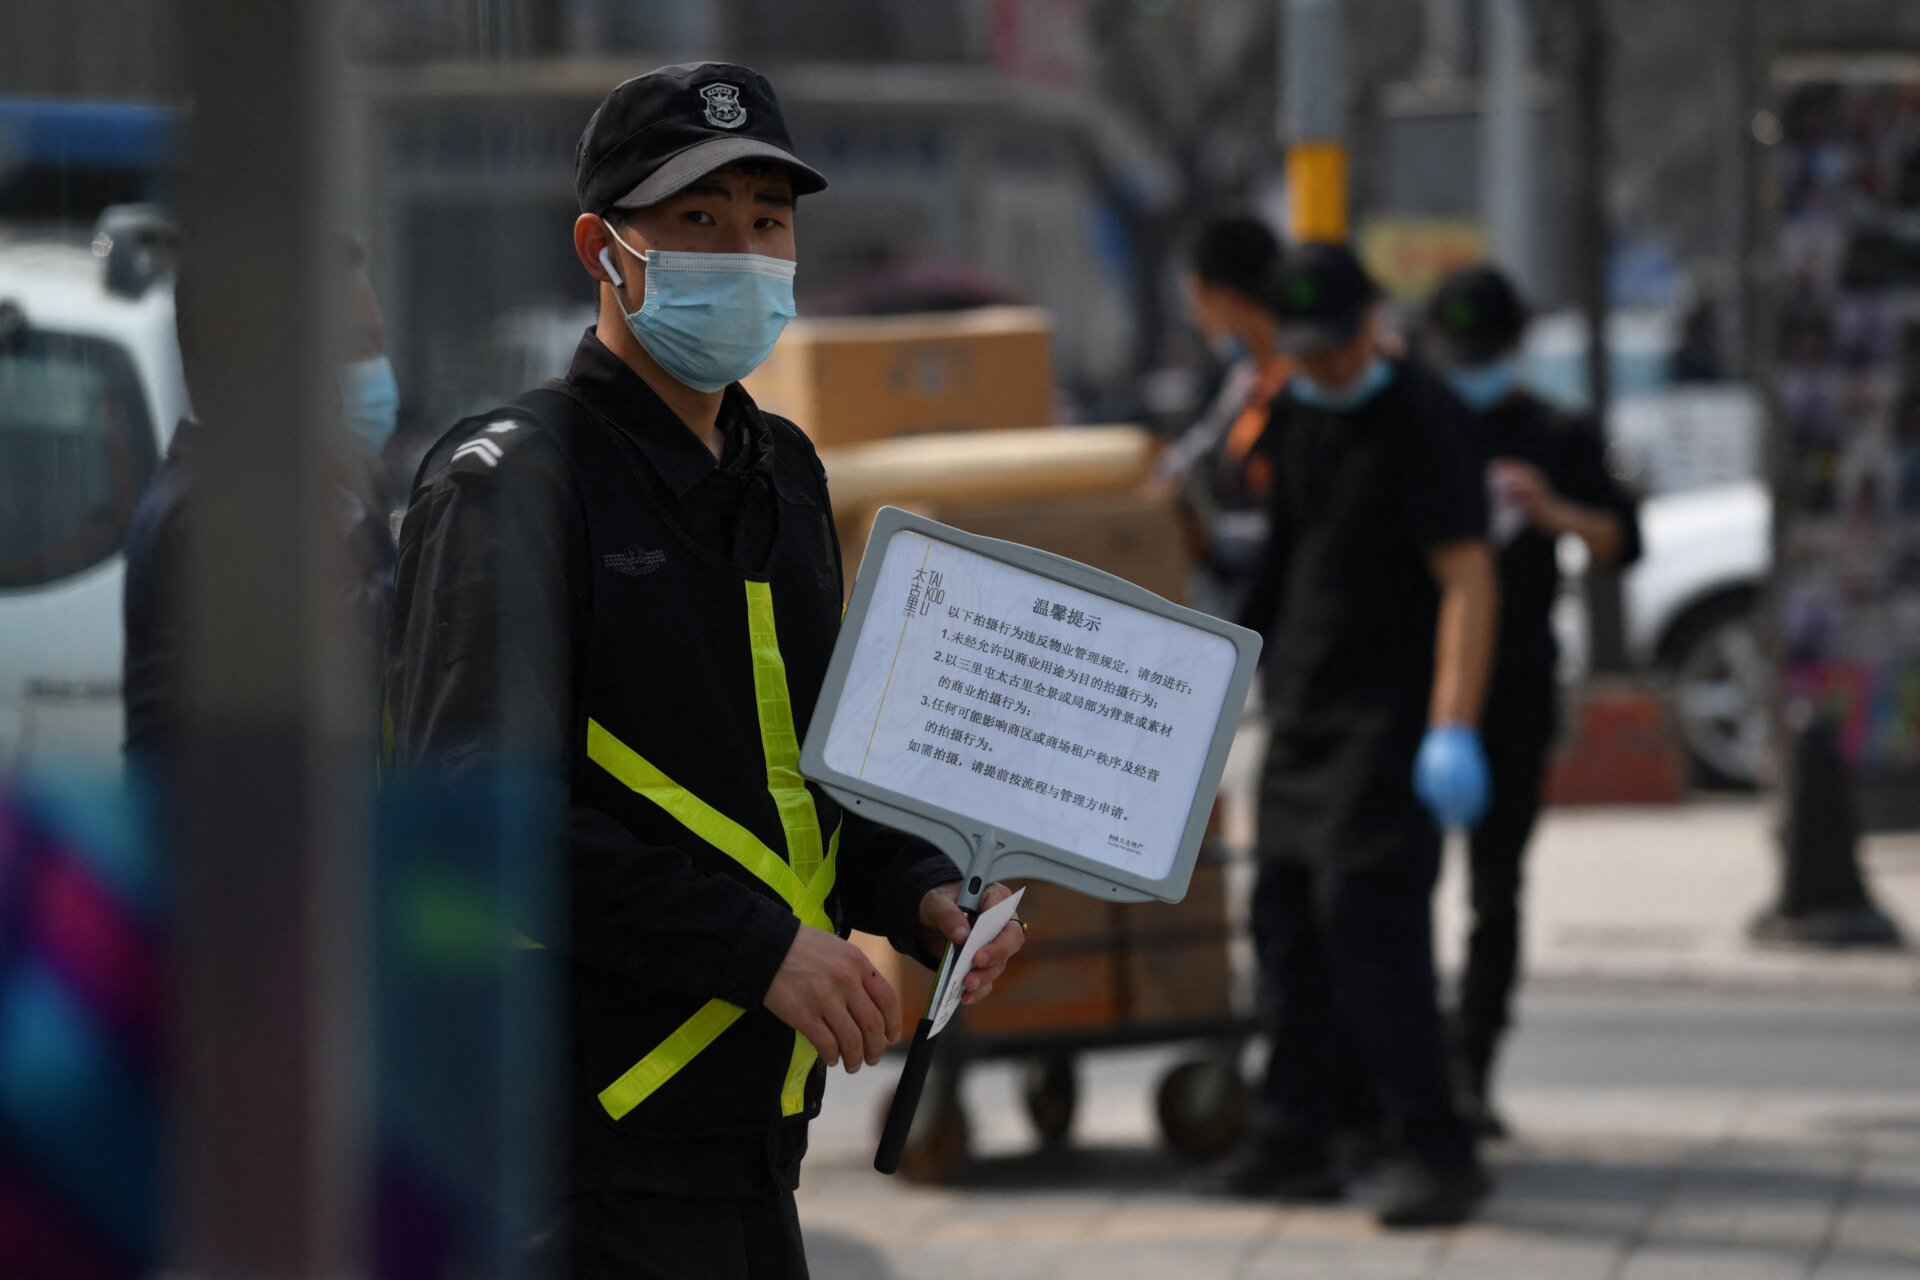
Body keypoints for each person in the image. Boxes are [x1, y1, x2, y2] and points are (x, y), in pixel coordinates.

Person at [382, 63, 1025, 1278]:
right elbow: (472, 824)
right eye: (697, 221)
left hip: (748, 1136)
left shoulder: (779, 466)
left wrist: (930, 894)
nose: (743, 252)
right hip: (573, 1148)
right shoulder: (513, 479)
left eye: (767, 222)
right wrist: (756, 947)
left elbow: (822, 766)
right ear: (602, 246)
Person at [1207, 242, 1498, 1228]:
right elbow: (1282, 567)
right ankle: (1297, 1134)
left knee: (1370, 925)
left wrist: (1453, 726)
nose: (1325, 366)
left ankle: (1432, 1145)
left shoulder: (1423, 418)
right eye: (1306, 350)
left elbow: (1468, 576)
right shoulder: (1295, 414)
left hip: (1395, 714)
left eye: (1337, 346)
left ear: (1374, 319)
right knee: (1285, 921)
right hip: (1307, 704)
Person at [1423, 265, 1642, 1137]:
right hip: (1418, 687)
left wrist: (1555, 513)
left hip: (1515, 688)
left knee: (1495, 889)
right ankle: (1407, 1059)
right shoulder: (1420, 425)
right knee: (1394, 883)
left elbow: (1624, 536)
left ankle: (1473, 1063)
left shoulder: (1555, 431)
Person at [123, 237, 397, 758]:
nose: (346, 387)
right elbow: (365, 647)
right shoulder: (205, 513)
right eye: (346, 349)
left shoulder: (329, 504)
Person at [1153, 216, 1290, 619]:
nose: (1198, 320)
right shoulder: (1247, 381)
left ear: (1225, 299)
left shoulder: (1303, 387)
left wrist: (1220, 539)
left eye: (1197, 302)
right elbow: (1188, 459)